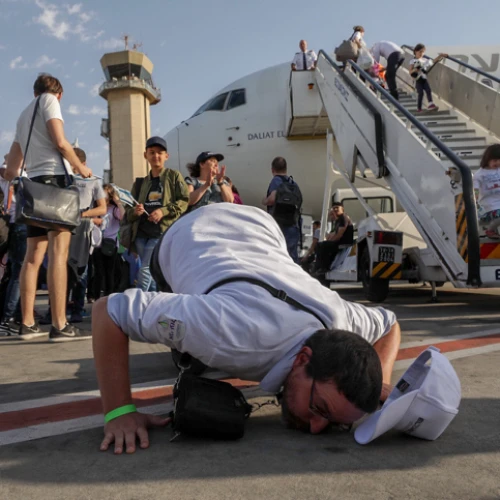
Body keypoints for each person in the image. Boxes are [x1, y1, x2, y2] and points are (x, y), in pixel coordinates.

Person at [92, 203, 401, 454]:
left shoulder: (340, 319)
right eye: (319, 408)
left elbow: (389, 323)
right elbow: (108, 311)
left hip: (261, 226)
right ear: (304, 358)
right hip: (188, 231)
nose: (317, 427)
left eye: (336, 423)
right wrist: (119, 412)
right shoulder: (226, 333)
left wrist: (380, 382)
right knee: (192, 357)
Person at [5, 73, 92, 341]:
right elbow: (60, 141)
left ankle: (27, 323)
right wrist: (82, 169)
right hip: (56, 184)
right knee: (59, 254)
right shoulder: (50, 101)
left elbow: (11, 168)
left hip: (35, 188)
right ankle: (59, 324)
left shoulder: (23, 116)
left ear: (33, 92)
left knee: (32, 258)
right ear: (60, 94)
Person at [126, 136, 189, 293]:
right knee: (151, 272)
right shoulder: (140, 183)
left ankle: (137, 302)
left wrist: (163, 211)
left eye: (160, 152)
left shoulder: (173, 176)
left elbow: (184, 201)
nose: (156, 156)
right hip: (141, 233)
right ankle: (154, 303)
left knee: (145, 268)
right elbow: (127, 211)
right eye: (152, 152)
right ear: (145, 155)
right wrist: (135, 211)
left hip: (161, 231)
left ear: (166, 156)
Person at [0, 157, 26, 335]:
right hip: (19, 224)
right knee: (19, 273)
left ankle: (17, 315)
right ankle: (9, 317)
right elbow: (5, 172)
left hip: (20, 224)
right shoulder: (10, 171)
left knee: (18, 273)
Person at [262, 156, 302, 263]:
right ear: (286, 169)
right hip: (293, 223)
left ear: (272, 169)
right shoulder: (293, 183)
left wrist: (264, 201)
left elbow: (272, 199)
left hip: (278, 224)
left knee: (278, 254)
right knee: (292, 255)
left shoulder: (276, 181)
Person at [92, 184, 125, 298]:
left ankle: (109, 297)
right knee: (98, 272)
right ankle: (95, 297)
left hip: (110, 244)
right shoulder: (96, 207)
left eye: (106, 194)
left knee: (109, 272)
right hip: (96, 243)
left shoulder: (114, 209)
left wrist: (118, 201)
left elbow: (123, 216)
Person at [313, 203, 353, 275]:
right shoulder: (338, 220)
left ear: (342, 209)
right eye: (334, 208)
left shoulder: (344, 217)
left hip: (344, 242)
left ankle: (325, 267)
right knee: (319, 245)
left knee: (324, 245)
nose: (335, 210)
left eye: (337, 208)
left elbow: (339, 235)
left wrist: (329, 241)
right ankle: (318, 266)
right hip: (339, 242)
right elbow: (334, 233)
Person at [409, 44, 447, 113]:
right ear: (415, 51)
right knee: (420, 93)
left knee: (428, 90)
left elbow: (433, 61)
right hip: (418, 79)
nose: (421, 53)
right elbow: (410, 71)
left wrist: (440, 56)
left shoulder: (425, 60)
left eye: (423, 52)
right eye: (420, 51)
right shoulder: (413, 61)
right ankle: (419, 108)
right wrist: (416, 69)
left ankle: (430, 104)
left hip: (424, 78)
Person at [473, 144, 500, 239]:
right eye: (495, 160)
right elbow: (475, 189)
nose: (498, 163)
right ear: (487, 159)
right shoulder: (480, 175)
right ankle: (490, 230)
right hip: (489, 206)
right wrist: (474, 199)